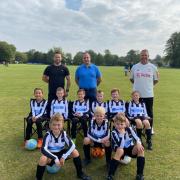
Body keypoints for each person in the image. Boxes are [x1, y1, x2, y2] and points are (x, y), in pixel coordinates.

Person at [36, 113, 91, 180]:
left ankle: (80, 173)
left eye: (58, 125)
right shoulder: (48, 135)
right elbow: (43, 149)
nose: (56, 127)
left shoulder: (64, 134)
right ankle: (38, 178)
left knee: (75, 152)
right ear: (50, 125)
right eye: (54, 124)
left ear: (62, 125)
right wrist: (55, 158)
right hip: (51, 156)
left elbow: (72, 145)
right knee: (43, 158)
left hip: (61, 153)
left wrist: (64, 156)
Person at [107, 113, 145, 180]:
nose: (120, 126)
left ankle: (140, 174)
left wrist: (138, 143)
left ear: (125, 124)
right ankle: (110, 175)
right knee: (120, 150)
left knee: (140, 148)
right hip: (120, 150)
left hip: (129, 148)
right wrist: (121, 135)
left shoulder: (129, 129)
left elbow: (137, 138)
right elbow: (121, 146)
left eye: (122, 124)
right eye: (117, 124)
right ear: (114, 124)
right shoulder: (114, 132)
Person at [130, 49, 159, 134]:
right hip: (137, 95)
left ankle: (150, 127)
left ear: (148, 56)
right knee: (136, 111)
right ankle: (136, 127)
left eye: (145, 55)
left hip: (149, 94)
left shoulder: (153, 67)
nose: (144, 57)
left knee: (149, 112)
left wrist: (149, 86)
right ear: (140, 56)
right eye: (142, 55)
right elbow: (132, 79)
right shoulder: (135, 67)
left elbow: (156, 80)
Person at [42, 51, 71, 117]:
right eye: (56, 57)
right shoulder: (49, 68)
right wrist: (50, 82)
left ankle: (61, 125)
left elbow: (69, 80)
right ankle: (50, 124)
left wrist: (67, 90)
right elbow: (43, 78)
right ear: (53, 58)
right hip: (52, 92)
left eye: (59, 57)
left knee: (61, 108)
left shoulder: (65, 68)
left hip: (61, 93)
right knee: (50, 108)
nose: (57, 58)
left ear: (61, 58)